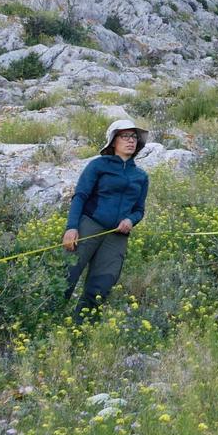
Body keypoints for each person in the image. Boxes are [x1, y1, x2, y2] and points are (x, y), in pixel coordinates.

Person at [64, 117, 150, 313]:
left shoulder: (141, 176)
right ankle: (45, 322)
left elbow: (139, 210)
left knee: (102, 285)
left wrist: (131, 220)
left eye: (134, 137)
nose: (131, 140)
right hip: (89, 226)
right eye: (125, 136)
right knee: (66, 276)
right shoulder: (98, 166)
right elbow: (80, 196)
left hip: (117, 236)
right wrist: (71, 227)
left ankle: (81, 330)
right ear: (113, 141)